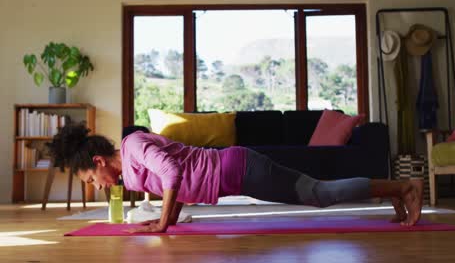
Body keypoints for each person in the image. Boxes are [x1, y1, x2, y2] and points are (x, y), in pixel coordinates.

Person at [47, 123, 423, 233]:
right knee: (317, 192)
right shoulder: (130, 169)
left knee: (318, 194)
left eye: (89, 177)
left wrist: (161, 226)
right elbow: (174, 186)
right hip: (238, 172)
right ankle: (394, 191)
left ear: (98, 160)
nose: (94, 184)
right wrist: (166, 220)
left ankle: (405, 186)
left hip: (239, 168)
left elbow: (173, 173)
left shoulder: (132, 147)